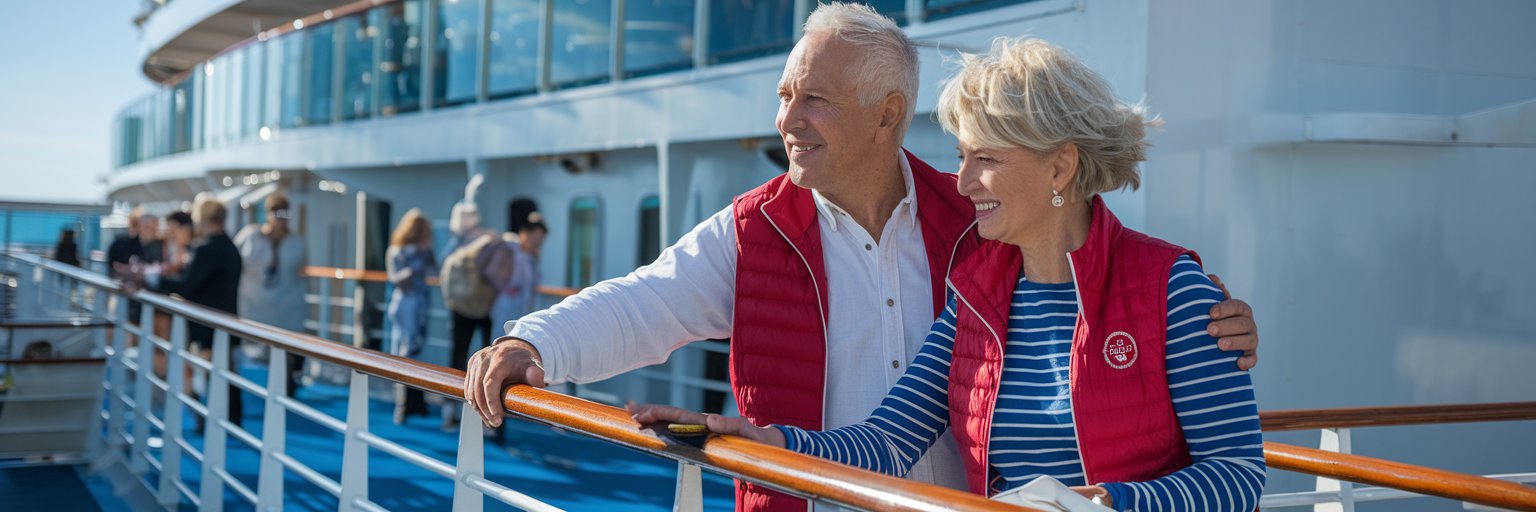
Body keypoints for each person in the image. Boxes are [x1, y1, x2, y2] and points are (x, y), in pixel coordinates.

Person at [465, 4, 1260, 510]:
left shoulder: (1016, 250)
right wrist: (536, 343)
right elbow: (649, 300)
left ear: (887, 116)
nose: (788, 119)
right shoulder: (960, 287)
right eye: (784, 95)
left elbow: (1233, 467)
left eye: (812, 97)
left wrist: (1097, 505)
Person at [117, 196, 244, 428]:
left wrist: (150, 279)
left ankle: (209, 423)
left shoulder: (207, 249)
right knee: (224, 377)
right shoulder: (230, 247)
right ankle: (227, 423)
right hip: (227, 321)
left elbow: (187, 286)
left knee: (207, 377)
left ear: (203, 219)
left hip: (208, 327)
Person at [234, 193, 307, 397]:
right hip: (253, 302)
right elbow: (235, 261)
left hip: (287, 304)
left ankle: (288, 386)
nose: (280, 219)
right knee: (247, 343)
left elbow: (300, 269)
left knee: (289, 346)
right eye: (276, 213)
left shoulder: (296, 242)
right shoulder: (250, 236)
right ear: (267, 214)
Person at [386, 208, 438, 424]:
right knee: (409, 351)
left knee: (407, 352)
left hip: (409, 304)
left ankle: (411, 404)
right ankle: (406, 404)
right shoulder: (413, 252)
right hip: (411, 305)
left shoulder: (398, 250)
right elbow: (399, 278)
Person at [162, 211, 195, 276]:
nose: (171, 235)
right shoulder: (168, 245)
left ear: (186, 230)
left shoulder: (196, 249)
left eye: (174, 231)